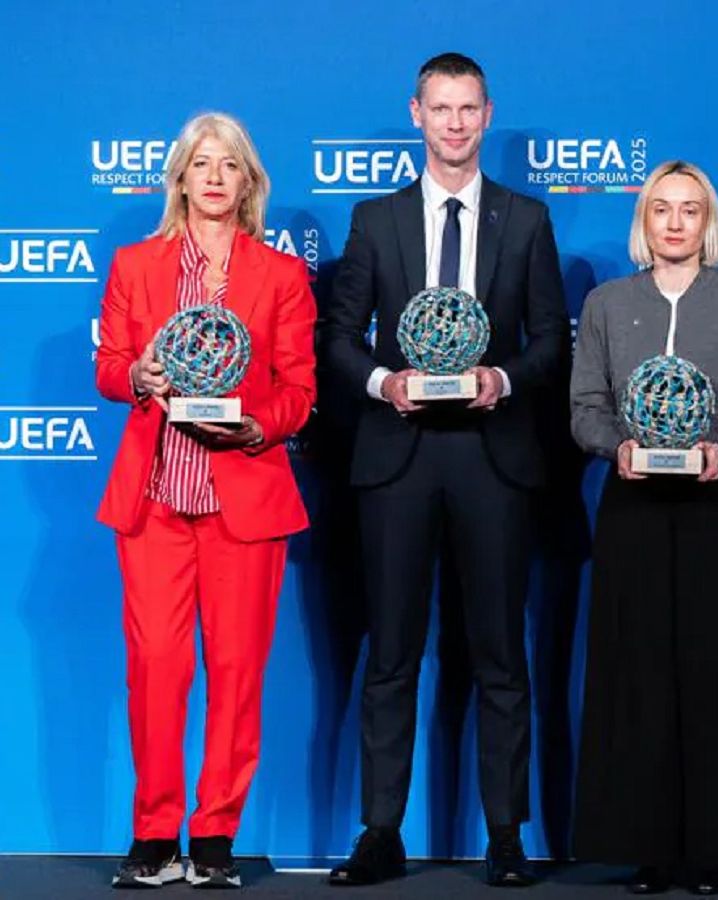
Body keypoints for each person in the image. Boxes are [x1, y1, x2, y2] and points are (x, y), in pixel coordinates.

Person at [321, 51, 568, 888]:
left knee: (500, 654)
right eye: (441, 108)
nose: (455, 123)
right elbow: (339, 339)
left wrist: (503, 379)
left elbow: (551, 341)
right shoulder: (375, 219)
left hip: (492, 455)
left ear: (487, 115)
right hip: (398, 453)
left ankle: (506, 835)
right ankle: (380, 832)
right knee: (391, 653)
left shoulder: (526, 219)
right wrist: (383, 382)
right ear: (416, 114)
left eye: (468, 108)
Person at [94, 112, 316, 890]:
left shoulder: (280, 276)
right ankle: (155, 834)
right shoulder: (135, 265)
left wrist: (257, 427)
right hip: (156, 502)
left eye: (229, 165)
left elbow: (299, 391)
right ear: (180, 179)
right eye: (201, 164)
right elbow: (110, 366)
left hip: (244, 504)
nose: (215, 177)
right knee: (156, 669)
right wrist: (137, 376)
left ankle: (216, 835)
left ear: (248, 181)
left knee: (236, 670)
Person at [569, 160, 718, 895]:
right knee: (636, 674)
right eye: (661, 208)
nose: (674, 222)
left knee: (713, 669)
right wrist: (617, 447)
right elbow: (585, 407)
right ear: (643, 220)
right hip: (633, 507)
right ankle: (646, 849)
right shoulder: (606, 304)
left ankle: (712, 850)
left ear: (708, 222)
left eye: (689, 209)